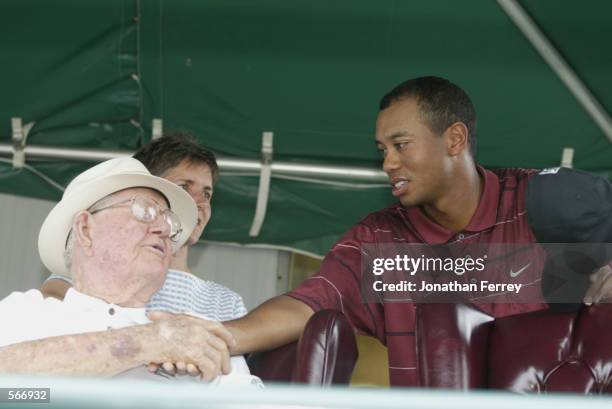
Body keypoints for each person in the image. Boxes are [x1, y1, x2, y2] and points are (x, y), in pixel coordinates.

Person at [221, 76, 612, 387]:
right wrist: (216, 338)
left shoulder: (549, 200)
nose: (388, 162)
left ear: (454, 139)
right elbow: (308, 303)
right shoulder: (380, 241)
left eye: (401, 144)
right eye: (382, 150)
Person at [0, 157, 253, 384]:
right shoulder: (26, 313)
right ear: (86, 229)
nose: (164, 229)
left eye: (169, 221)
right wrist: (148, 342)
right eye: (145, 211)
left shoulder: (196, 332)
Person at [42, 132, 247, 323]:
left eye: (207, 194)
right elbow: (55, 305)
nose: (200, 203)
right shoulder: (92, 269)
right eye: (184, 187)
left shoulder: (227, 302)